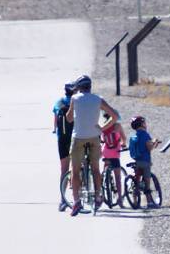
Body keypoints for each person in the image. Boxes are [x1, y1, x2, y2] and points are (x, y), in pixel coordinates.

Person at [65, 74, 118, 217]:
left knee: (75, 170)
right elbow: (115, 116)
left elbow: (69, 119)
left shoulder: (74, 99)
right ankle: (99, 196)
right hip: (94, 136)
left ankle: (76, 202)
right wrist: (103, 128)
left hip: (79, 137)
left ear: (79, 88)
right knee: (95, 168)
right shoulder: (98, 99)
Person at [52, 82, 76, 212]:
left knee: (64, 169)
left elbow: (56, 119)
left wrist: (55, 129)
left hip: (62, 139)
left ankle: (62, 200)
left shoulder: (59, 102)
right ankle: (76, 198)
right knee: (77, 167)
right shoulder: (76, 101)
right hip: (75, 137)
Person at [129, 116, 161, 208]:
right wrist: (154, 142)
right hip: (145, 161)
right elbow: (149, 147)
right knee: (147, 181)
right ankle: (149, 202)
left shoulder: (133, 136)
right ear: (142, 124)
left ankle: (135, 202)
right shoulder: (145, 134)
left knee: (137, 182)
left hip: (136, 161)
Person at [101, 111, 127, 208]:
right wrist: (123, 144)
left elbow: (102, 140)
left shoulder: (103, 126)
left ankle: (101, 192)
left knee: (104, 172)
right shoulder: (118, 126)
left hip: (105, 152)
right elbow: (124, 138)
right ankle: (119, 198)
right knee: (117, 177)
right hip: (115, 153)